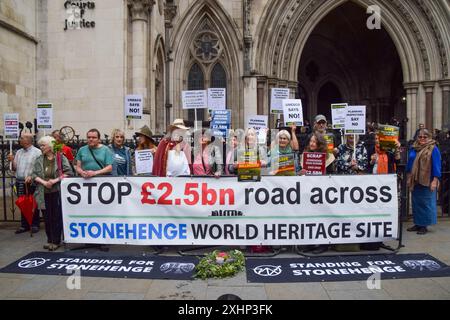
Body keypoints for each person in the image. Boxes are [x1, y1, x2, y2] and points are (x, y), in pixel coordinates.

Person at [30, 136, 73, 251]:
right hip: (43, 193)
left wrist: (54, 181)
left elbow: (69, 172)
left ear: (50, 146)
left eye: (43, 145)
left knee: (56, 217)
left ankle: (56, 241)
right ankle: (49, 240)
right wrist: (44, 182)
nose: (41, 147)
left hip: (57, 191)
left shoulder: (60, 158)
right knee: (47, 217)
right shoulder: (39, 159)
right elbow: (34, 175)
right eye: (40, 145)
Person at [299, 133, 335, 254]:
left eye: (314, 142)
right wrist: (302, 172)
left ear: (320, 144)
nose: (312, 144)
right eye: (311, 141)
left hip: (323, 192)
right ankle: (310, 243)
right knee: (310, 218)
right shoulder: (305, 156)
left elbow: (332, 175)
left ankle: (323, 244)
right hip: (309, 192)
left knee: (322, 218)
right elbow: (302, 175)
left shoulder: (328, 157)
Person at [406, 129, 442, 235]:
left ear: (429, 137)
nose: (422, 139)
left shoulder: (433, 148)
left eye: (424, 137)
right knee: (416, 202)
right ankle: (417, 223)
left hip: (427, 179)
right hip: (415, 179)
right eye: (420, 137)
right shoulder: (413, 148)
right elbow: (410, 163)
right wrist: (409, 177)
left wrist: (435, 180)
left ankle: (424, 225)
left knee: (426, 203)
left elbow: (436, 165)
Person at [8, 133, 42, 234]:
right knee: (23, 203)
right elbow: (14, 168)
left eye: (22, 138)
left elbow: (39, 168)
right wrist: (12, 160)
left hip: (31, 182)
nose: (19, 139)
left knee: (33, 203)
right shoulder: (19, 152)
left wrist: (31, 176)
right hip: (19, 181)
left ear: (28, 140)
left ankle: (34, 224)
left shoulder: (37, 152)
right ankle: (24, 225)